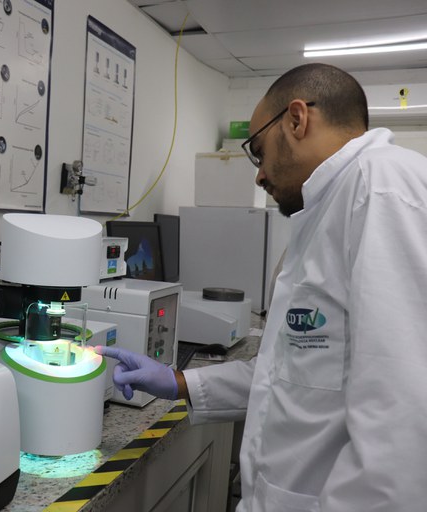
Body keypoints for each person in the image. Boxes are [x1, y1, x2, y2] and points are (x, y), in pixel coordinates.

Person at [97, 63, 427, 511]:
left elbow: (403, 419)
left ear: (296, 119)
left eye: (258, 150)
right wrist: (177, 382)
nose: (258, 174)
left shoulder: (382, 188)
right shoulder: (325, 209)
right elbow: (287, 372)